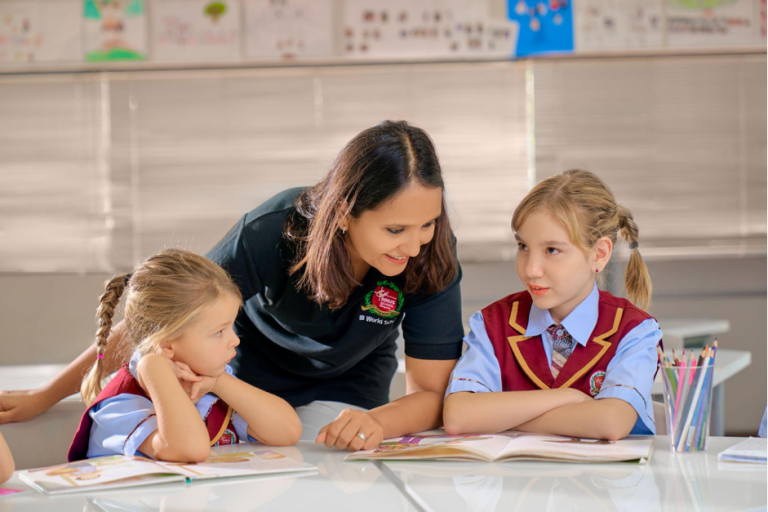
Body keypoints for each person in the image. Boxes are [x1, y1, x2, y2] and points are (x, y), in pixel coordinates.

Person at [0, 121, 464, 452]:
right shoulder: (272, 231)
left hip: (351, 388)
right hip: (246, 377)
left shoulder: (432, 253)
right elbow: (162, 317)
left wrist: (374, 422)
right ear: (343, 212)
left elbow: (430, 393)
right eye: (395, 230)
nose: (414, 245)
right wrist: (48, 394)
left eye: (427, 223)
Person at [443, 170, 661, 440]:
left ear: (600, 254)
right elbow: (459, 416)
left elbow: (611, 422)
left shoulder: (635, 331)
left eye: (552, 250)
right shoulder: (493, 323)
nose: (531, 270)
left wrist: (502, 418)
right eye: (523, 246)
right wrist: (567, 398)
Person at [68, 249, 301, 462]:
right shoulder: (121, 404)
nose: (235, 340)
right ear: (167, 344)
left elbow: (287, 432)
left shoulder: (208, 380)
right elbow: (189, 450)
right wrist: (154, 368)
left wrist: (220, 383)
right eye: (219, 331)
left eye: (231, 327)